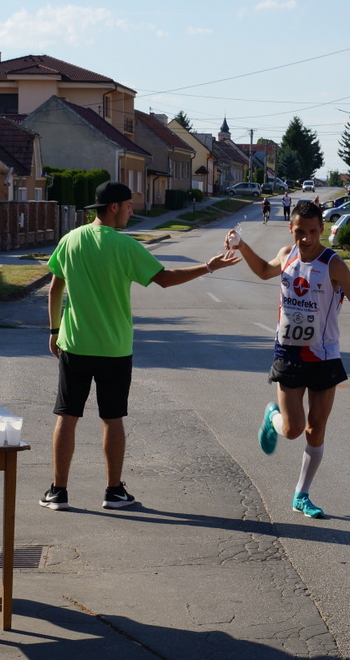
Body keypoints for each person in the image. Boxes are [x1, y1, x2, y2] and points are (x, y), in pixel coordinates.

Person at [41, 181, 240, 511]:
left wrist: (53, 331)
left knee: (67, 415)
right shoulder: (124, 246)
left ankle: (58, 492)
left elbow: (54, 288)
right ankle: (113, 491)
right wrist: (207, 267)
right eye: (129, 205)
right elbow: (165, 278)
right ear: (114, 207)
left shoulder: (70, 240)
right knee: (112, 418)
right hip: (115, 348)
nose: (133, 211)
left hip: (74, 344)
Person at [225, 200, 350, 519]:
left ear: (321, 230)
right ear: (291, 229)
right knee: (292, 430)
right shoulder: (286, 255)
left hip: (324, 356)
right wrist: (242, 246)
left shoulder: (333, 264)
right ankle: (272, 417)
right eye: (299, 232)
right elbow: (265, 271)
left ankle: (301, 495)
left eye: (311, 232)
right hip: (289, 353)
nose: (305, 238)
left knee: (316, 428)